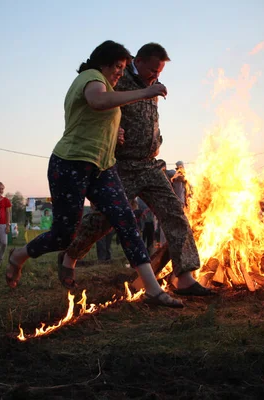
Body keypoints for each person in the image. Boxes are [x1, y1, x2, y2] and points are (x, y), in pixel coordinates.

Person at [7, 40, 185, 308]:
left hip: (102, 167)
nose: (119, 73)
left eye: (123, 67)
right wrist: (145, 92)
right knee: (63, 234)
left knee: (126, 218)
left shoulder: (107, 85)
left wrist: (117, 133)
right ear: (103, 62)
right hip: (70, 164)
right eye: (117, 66)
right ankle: (19, 256)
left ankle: (152, 289)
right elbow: (97, 101)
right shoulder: (91, 77)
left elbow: (98, 119)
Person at [47, 42, 212, 300]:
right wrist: (116, 131)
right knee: (104, 220)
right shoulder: (118, 76)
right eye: (153, 70)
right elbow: (100, 104)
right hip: (122, 165)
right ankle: (69, 255)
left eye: (160, 72)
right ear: (141, 60)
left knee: (174, 212)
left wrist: (156, 138)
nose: (157, 76)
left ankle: (184, 277)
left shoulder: (152, 86)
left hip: (149, 164)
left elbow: (148, 117)